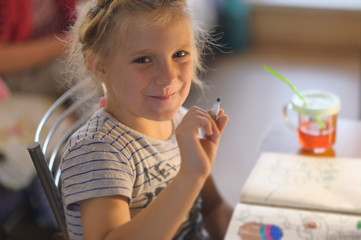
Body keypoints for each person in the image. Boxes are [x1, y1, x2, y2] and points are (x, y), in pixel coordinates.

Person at [61, 0, 233, 239]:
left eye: (179, 54)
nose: (168, 76)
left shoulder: (180, 123)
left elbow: (214, 208)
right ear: (99, 65)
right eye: (143, 60)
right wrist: (191, 176)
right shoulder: (97, 151)